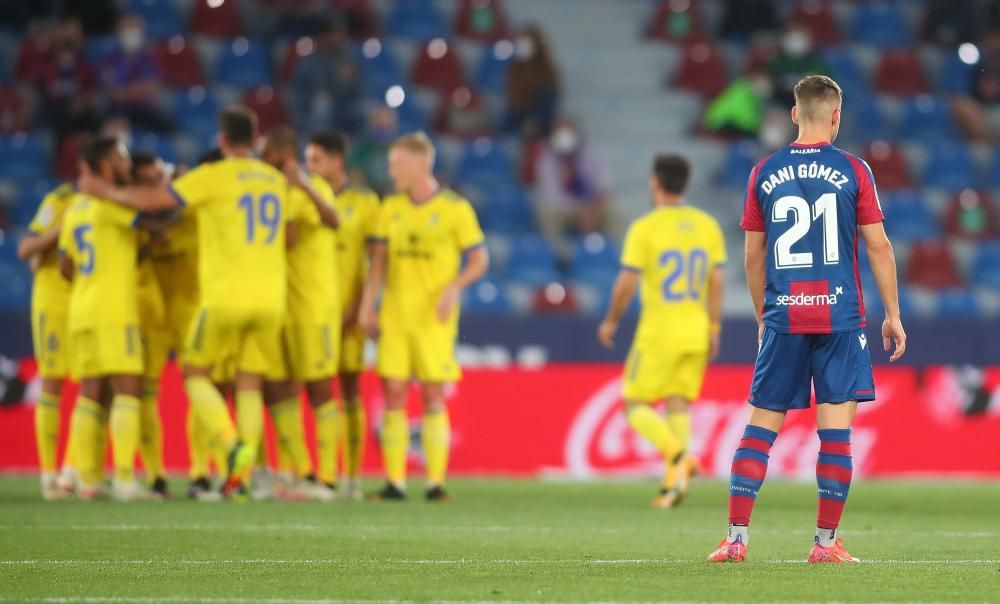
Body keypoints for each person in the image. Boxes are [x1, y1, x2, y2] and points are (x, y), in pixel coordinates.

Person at [707, 75, 906, 564]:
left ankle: (735, 538)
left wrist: (762, 316)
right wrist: (894, 315)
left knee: (760, 428)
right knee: (836, 434)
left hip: (784, 316)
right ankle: (824, 545)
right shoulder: (855, 170)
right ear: (836, 116)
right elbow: (878, 245)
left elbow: (753, 258)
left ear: (794, 114)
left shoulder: (763, 172)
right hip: (839, 318)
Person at [77, 106, 290, 498]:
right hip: (272, 298)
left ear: (222, 140)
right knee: (249, 382)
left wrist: (104, 191)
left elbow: (159, 201)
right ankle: (242, 481)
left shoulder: (213, 177)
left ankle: (232, 448)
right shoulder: (275, 180)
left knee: (195, 372)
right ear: (255, 139)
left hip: (226, 296)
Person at [358, 132, 489, 501]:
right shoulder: (390, 208)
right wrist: (369, 305)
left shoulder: (454, 209)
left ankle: (435, 483)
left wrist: (452, 288)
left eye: (397, 164)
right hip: (396, 315)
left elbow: (480, 260)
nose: (391, 170)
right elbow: (378, 265)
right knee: (394, 392)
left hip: (434, 317)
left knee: (433, 394)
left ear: (421, 164)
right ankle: (396, 482)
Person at [597, 154, 726, 509]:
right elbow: (717, 282)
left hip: (659, 332)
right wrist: (714, 327)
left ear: (655, 182)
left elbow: (626, 283)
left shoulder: (646, 228)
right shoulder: (707, 225)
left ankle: (679, 455)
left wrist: (611, 319)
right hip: (697, 329)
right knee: (678, 402)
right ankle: (675, 484)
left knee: (633, 404)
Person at [58, 137, 155, 501]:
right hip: (116, 310)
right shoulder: (114, 205)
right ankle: (127, 480)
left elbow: (66, 268)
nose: (127, 162)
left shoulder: (76, 209)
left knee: (90, 394)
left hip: (82, 310)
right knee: (128, 391)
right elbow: (154, 226)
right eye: (121, 157)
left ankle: (88, 480)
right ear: (104, 166)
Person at [257, 125, 340, 502]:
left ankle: (326, 479)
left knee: (319, 389)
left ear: (285, 159)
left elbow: (286, 237)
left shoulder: (311, 189)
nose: (262, 163)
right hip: (281, 306)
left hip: (313, 307)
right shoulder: (277, 192)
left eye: (267, 157)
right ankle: (302, 471)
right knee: (276, 388)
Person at [305, 131, 381, 500]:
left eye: (316, 159)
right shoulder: (305, 196)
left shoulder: (365, 201)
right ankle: (324, 473)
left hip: (348, 313)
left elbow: (377, 257)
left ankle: (352, 476)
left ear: (338, 161)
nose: (309, 167)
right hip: (310, 311)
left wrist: (362, 306)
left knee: (350, 390)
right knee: (317, 392)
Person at [18, 181, 77, 500]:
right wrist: (61, 229)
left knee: (100, 386)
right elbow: (26, 249)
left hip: (87, 303)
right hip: (55, 302)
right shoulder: (61, 199)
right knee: (53, 383)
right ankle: (49, 476)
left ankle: (73, 472)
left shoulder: (113, 200)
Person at [130, 151, 171, 498]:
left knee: (143, 393)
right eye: (147, 182)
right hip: (131, 308)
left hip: (155, 310)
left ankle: (155, 474)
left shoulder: (170, 205)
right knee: (128, 394)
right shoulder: (127, 211)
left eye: (158, 179)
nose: (155, 188)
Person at [535, 117, 616, 265]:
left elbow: (605, 184)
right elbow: (551, 194)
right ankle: (559, 256)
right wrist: (580, 209)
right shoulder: (547, 158)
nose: (564, 135)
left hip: (591, 206)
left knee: (615, 211)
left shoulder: (590, 153)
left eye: (568, 130)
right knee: (546, 210)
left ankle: (616, 255)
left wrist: (593, 206)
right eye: (560, 131)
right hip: (565, 209)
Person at [290, 18, 363, 135]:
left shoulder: (346, 58)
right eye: (337, 33)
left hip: (343, 103)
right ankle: (318, 143)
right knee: (322, 106)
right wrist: (317, 94)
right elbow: (299, 90)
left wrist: (348, 79)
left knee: (366, 109)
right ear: (326, 36)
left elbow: (356, 88)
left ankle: (360, 150)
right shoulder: (309, 60)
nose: (341, 38)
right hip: (312, 105)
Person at [103, 14, 173, 132]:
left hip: (146, 110)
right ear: (119, 32)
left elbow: (153, 87)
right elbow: (114, 93)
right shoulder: (111, 59)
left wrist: (127, 91)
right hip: (120, 111)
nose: (131, 33)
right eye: (127, 29)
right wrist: (138, 89)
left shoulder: (150, 57)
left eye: (134, 29)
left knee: (170, 130)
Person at [504, 25, 560, 140]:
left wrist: (534, 123)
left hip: (540, 127)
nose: (522, 47)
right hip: (515, 120)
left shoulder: (546, 73)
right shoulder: (513, 70)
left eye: (526, 44)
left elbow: (545, 108)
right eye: (519, 43)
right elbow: (513, 107)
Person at [348, 105, 399, 197]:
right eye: (378, 125)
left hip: (394, 198)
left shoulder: (401, 150)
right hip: (368, 199)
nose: (383, 129)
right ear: (370, 125)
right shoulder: (361, 150)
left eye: (387, 125)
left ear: (394, 126)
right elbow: (355, 177)